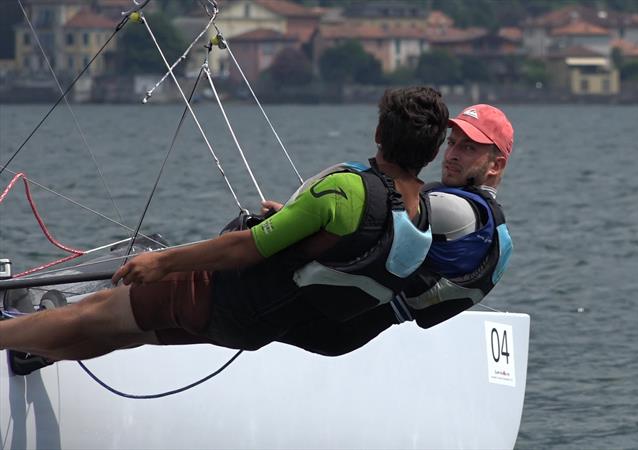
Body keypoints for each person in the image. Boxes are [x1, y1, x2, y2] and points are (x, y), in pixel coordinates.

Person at [0, 86, 450, 365]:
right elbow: (346, 250)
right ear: (431, 153)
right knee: (120, 333)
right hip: (259, 328)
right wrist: (295, 226)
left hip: (226, 296)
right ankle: (31, 349)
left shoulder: (347, 190)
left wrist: (161, 261)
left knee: (96, 310)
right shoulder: (421, 216)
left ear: (378, 134)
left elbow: (245, 249)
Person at [268, 104, 515, 356]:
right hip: (345, 324)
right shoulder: (485, 218)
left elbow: (368, 208)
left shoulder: (457, 210)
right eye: (451, 143)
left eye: (468, 148)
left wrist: (295, 219)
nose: (451, 154)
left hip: (330, 318)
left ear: (495, 166)